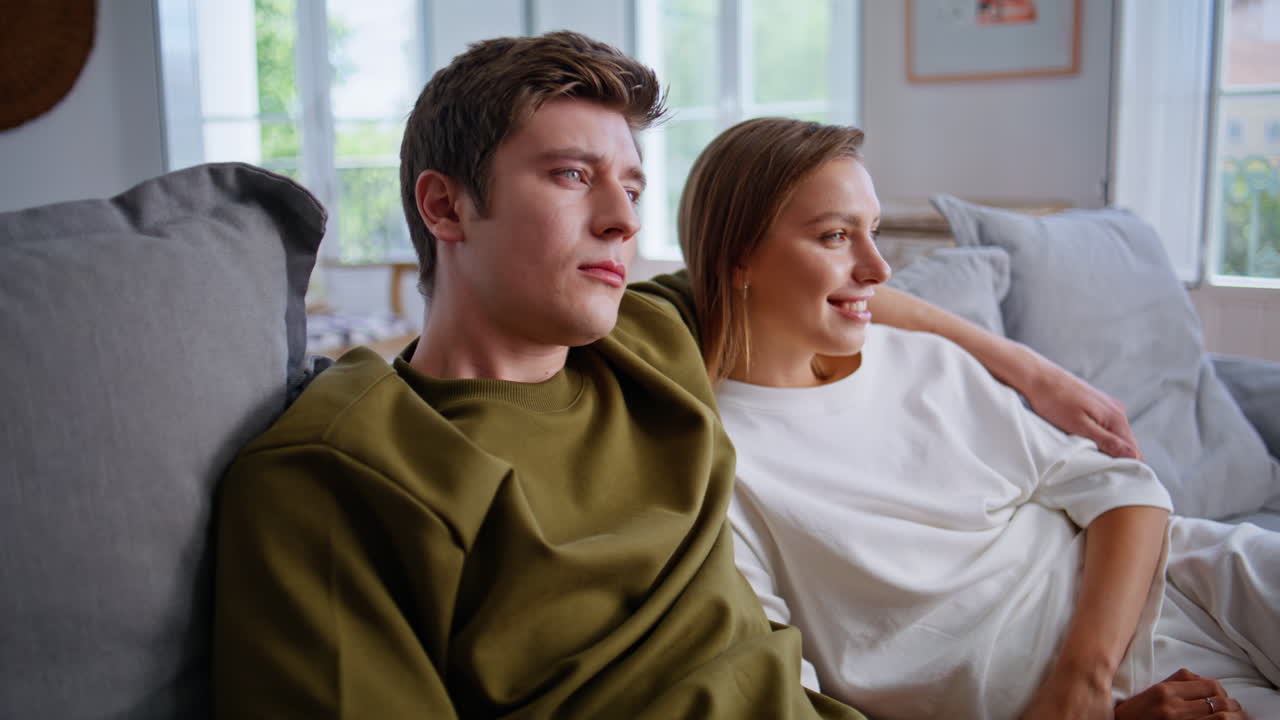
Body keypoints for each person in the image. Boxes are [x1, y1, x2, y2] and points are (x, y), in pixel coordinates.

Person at [214, 32, 1146, 718]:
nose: (623, 220)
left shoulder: (645, 338)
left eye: (633, 185)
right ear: (445, 205)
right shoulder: (338, 471)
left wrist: (1028, 369)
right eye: (574, 176)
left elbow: (826, 281)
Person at [678, 116, 1280, 720]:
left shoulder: (924, 360)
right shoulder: (720, 469)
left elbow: (1128, 492)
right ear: (739, 259)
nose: (879, 269)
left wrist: (1082, 680)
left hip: (1191, 580)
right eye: (836, 236)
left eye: (875, 232)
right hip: (1104, 690)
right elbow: (789, 694)